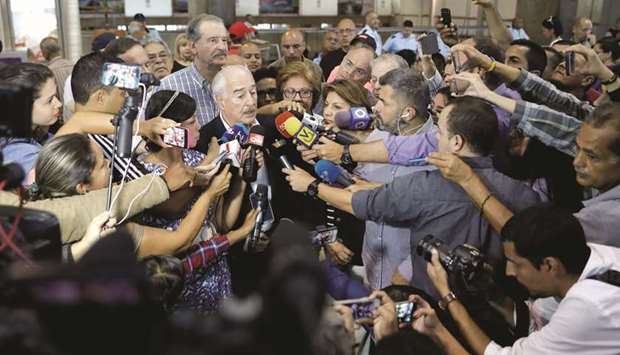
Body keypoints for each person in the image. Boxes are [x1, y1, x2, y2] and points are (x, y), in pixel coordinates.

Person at [284, 97, 540, 299]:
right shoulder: (524, 195)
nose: (434, 138)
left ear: (457, 143)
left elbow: (362, 204)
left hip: (430, 309)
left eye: (439, 132)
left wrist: (311, 185)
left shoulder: (424, 187)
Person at [427, 43, 620, 248]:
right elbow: (558, 102)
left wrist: (468, 180)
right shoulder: (597, 136)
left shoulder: (609, 217)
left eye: (592, 156)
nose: (577, 161)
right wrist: (491, 65)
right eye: (576, 148)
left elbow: (527, 241)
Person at [423, 204, 620, 354]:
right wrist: (493, 295)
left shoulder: (586, 308)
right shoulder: (593, 257)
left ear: (549, 265)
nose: (509, 272)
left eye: (516, 263)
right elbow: (538, 326)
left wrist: (448, 297)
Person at [137, 89, 257, 313]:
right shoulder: (142, 171)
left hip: (218, 280)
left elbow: (221, 224)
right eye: (191, 122)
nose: (199, 126)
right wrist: (209, 171)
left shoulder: (197, 158)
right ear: (170, 128)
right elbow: (171, 208)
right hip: (180, 286)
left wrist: (239, 175)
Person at [158, 14, 229, 127]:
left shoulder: (234, 83)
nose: (222, 47)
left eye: (224, 40)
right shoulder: (170, 87)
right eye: (213, 41)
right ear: (193, 47)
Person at [0, 63, 61, 185]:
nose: (58, 104)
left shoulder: (37, 133)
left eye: (56, 96)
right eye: (50, 100)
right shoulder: (20, 154)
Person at [258, 60, 322, 115]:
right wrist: (273, 108)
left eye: (305, 92)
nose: (297, 98)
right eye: (290, 92)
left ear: (314, 95)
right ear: (281, 94)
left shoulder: (322, 125)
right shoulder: (271, 123)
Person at [40, 36, 73, 103]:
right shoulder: (73, 65)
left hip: (63, 112)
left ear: (45, 52)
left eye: (42, 51)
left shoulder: (48, 71)